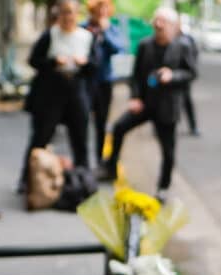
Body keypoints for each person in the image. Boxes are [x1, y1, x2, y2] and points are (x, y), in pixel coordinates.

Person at [100, 7, 196, 201]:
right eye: (156, 21)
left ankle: (163, 187)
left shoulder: (182, 46)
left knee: (168, 151)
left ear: (172, 26)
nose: (158, 25)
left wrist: (173, 75)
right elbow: (135, 76)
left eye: (163, 22)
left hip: (167, 106)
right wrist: (135, 97)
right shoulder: (145, 45)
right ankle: (110, 169)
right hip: (145, 103)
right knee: (118, 128)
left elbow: (191, 73)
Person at [17, 0, 94, 197]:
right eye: (63, 13)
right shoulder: (50, 34)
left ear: (77, 14)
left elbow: (95, 67)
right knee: (40, 138)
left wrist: (84, 64)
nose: (67, 17)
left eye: (71, 13)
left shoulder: (86, 37)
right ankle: (27, 180)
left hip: (76, 93)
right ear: (58, 15)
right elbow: (34, 60)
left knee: (80, 140)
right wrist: (53, 62)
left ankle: (84, 181)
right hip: (51, 94)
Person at [85, 0, 127, 164]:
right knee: (81, 119)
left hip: (104, 81)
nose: (101, 12)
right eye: (98, 8)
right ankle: (83, 160)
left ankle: (99, 158)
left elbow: (120, 48)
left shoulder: (112, 29)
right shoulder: (83, 27)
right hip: (86, 81)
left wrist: (105, 31)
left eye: (105, 8)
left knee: (101, 122)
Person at [180, 28, 202, 136]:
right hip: (169, 79)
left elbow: (194, 54)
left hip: (183, 79)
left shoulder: (187, 39)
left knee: (187, 102)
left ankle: (193, 127)